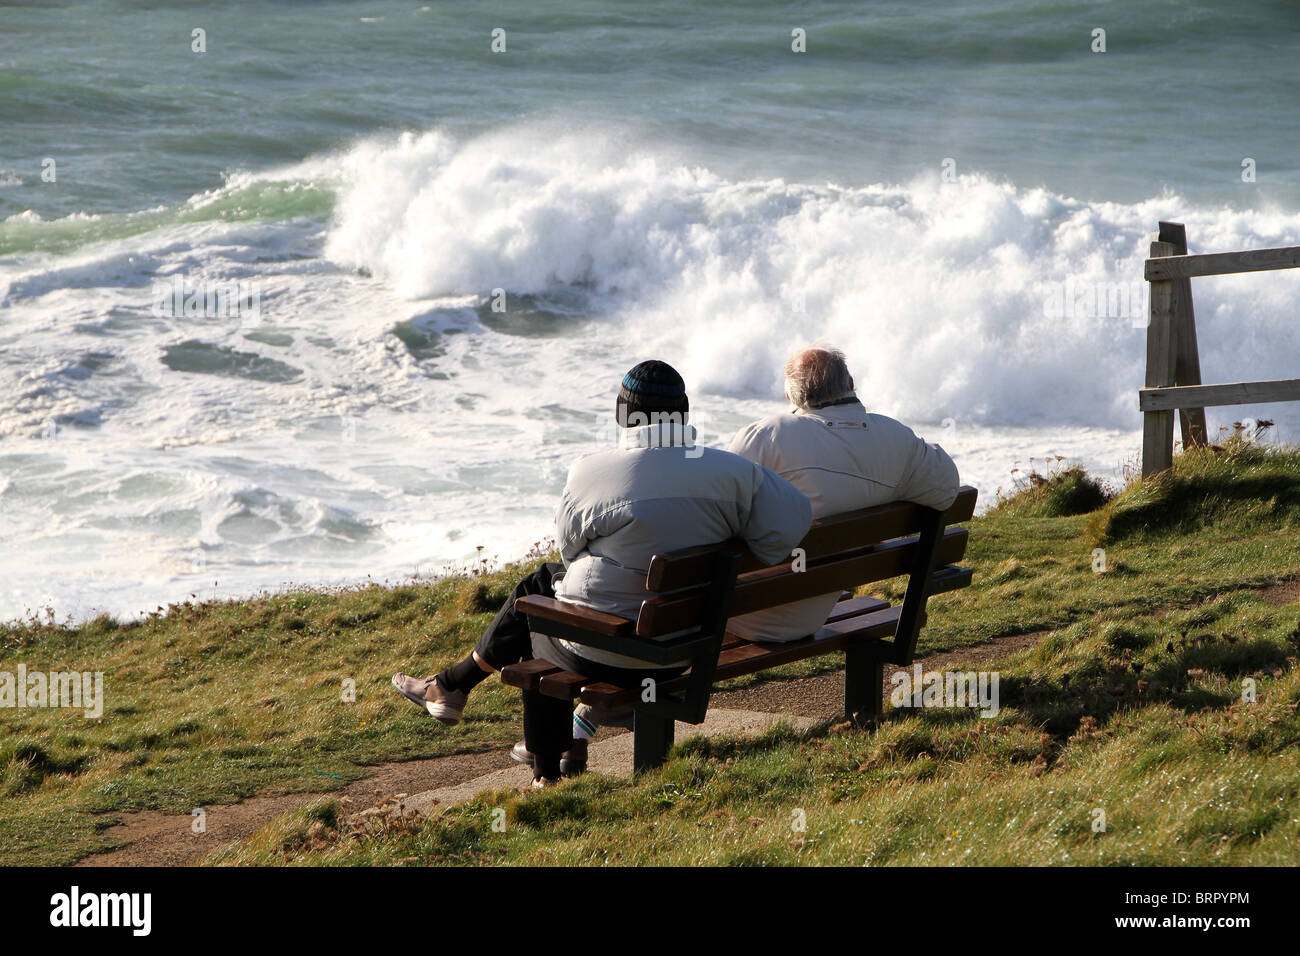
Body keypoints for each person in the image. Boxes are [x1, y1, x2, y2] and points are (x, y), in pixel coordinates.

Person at [393, 359, 812, 785]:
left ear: (622, 414)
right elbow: (793, 521)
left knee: (537, 611)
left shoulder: (592, 470)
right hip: (685, 649)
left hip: (610, 652)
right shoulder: (734, 471)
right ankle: (454, 689)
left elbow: (570, 550)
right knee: (541, 586)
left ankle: (546, 772)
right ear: (683, 413)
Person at [725, 344, 960, 642]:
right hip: (813, 610)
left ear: (790, 397)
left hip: (743, 612)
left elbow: (712, 520)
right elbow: (946, 490)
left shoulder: (766, 436)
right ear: (850, 384)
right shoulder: (895, 437)